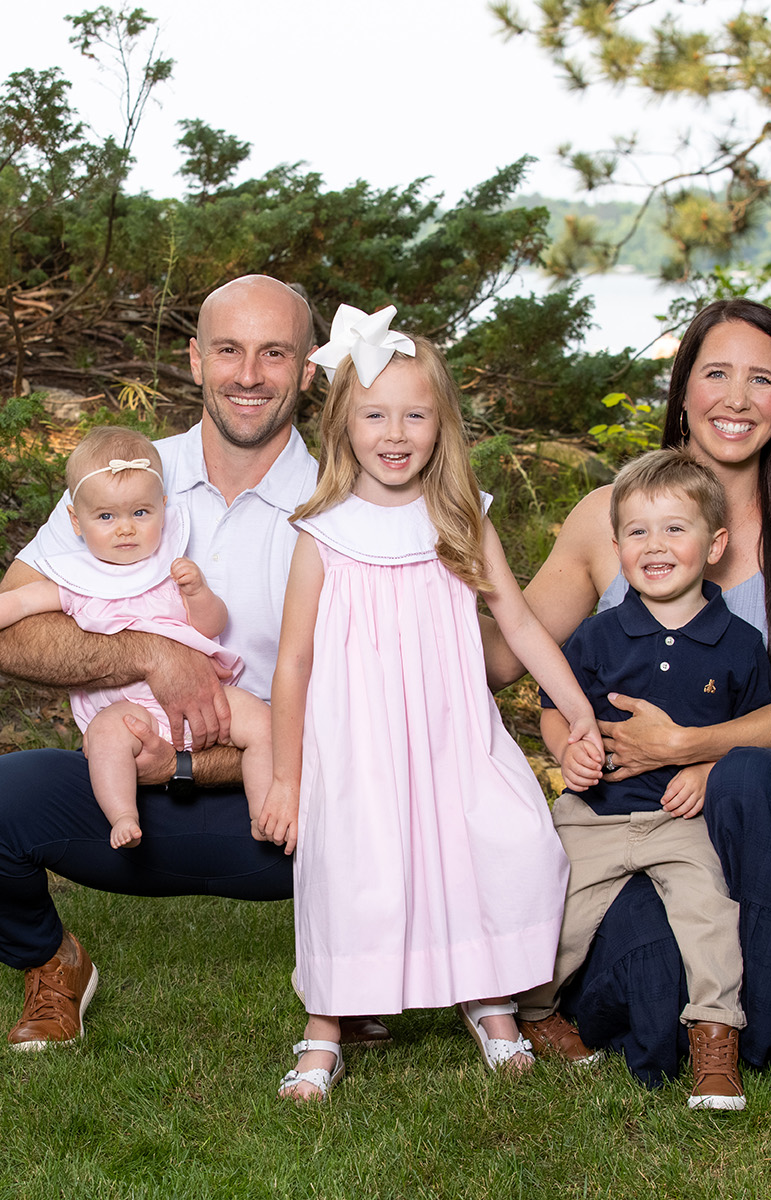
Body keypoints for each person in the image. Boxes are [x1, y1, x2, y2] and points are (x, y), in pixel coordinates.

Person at [0, 275, 385, 1052]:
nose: (249, 374)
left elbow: (383, 693)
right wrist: (148, 653)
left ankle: (367, 972)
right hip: (123, 785)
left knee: (397, 798)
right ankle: (53, 962)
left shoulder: (348, 499)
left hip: (283, 797)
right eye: (229, 351)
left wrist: (196, 758)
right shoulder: (124, 478)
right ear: (194, 361)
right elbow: (4, 633)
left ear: (309, 369)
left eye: (275, 353)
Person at [488, 298, 771, 1086]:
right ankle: (727, 1025)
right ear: (684, 389)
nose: (737, 398)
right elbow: (511, 658)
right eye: (717, 374)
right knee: (644, 985)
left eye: (761, 379)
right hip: (628, 809)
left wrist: (689, 746)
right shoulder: (610, 516)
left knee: (745, 774)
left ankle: (756, 1027)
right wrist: (419, 559)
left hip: (763, 801)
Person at [257, 307, 603, 1101]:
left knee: (495, 846)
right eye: (375, 414)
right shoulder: (324, 531)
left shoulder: (460, 517)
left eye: (415, 414)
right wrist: (284, 775)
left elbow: (515, 619)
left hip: (450, 730)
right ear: (344, 424)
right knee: (358, 872)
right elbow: (296, 660)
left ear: (441, 425)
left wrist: (574, 705)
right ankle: (326, 1026)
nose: (395, 432)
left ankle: (488, 997)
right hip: (358, 742)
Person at [529, 448, 771, 1110]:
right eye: (638, 531)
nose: (655, 545)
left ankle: (715, 1043)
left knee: (710, 920)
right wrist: (567, 751)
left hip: (678, 820)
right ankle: (532, 1014)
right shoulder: (596, 636)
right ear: (617, 545)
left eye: (675, 528)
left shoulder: (740, 644)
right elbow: (558, 711)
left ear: (714, 543)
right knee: (554, 919)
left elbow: (750, 734)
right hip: (596, 816)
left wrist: (703, 765)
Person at [0, 427, 269, 851]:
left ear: (162, 510)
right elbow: (16, 604)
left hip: (207, 700)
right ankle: (123, 815)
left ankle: (263, 811)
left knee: (261, 722)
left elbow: (211, 627)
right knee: (108, 738)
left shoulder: (171, 569)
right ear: (77, 521)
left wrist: (199, 593)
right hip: (129, 707)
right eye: (107, 517)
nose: (125, 529)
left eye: (141, 514)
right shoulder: (80, 579)